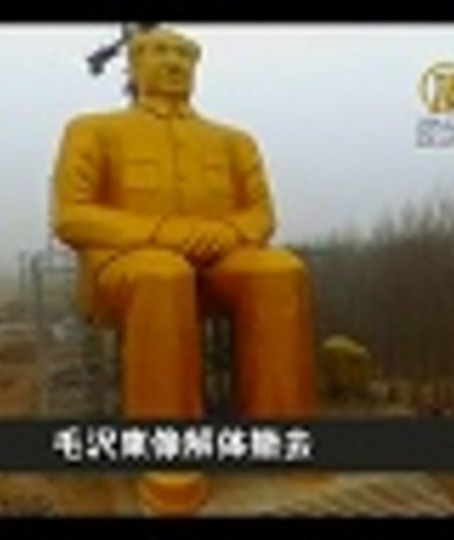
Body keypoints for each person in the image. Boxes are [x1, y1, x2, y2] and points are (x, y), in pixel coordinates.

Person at [51, 26, 317, 515]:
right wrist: (163, 232)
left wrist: (231, 232)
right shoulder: (92, 131)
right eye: (159, 52)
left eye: (184, 55)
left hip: (219, 263)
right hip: (127, 270)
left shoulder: (234, 141)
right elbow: (71, 215)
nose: (174, 63)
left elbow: (261, 215)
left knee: (280, 269)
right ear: (133, 66)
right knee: (163, 273)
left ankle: (280, 430)